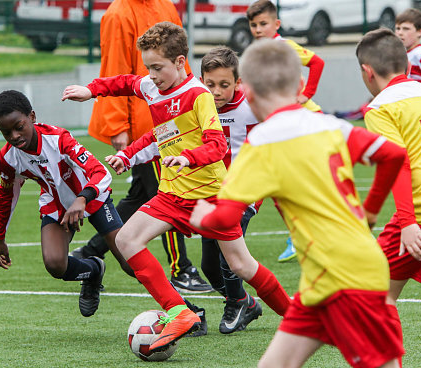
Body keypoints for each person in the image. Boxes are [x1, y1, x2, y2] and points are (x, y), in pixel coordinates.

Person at [62, 22, 291, 352]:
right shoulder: (152, 86)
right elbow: (126, 84)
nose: (152, 75)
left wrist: (188, 158)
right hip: (171, 195)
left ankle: (298, 318)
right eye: (149, 67)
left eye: (158, 68)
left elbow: (217, 146)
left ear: (180, 62)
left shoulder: (198, 96)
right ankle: (179, 311)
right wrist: (92, 90)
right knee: (126, 239)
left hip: (211, 197)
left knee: (241, 265)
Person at [190, 39, 406, 368]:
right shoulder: (329, 123)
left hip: (344, 275)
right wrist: (371, 211)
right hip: (324, 278)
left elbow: (226, 218)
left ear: (246, 92)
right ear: (301, 85)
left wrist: (203, 217)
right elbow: (393, 155)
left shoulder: (260, 141)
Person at [69, 0, 212, 294]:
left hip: (172, 129)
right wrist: (117, 125)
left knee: (141, 195)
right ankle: (181, 268)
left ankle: (90, 251)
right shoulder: (118, 13)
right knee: (167, 192)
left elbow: (177, 56)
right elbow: (118, 69)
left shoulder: (165, 6)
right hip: (146, 130)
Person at [0, 90, 133, 319]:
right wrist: (0, 239)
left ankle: (184, 309)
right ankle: (93, 271)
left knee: (131, 263)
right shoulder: (8, 158)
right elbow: (6, 196)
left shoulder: (58, 139)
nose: (15, 135)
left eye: (19, 126)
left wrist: (82, 198)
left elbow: (100, 172)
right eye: (6, 132)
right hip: (56, 205)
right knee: (55, 264)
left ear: (32, 117)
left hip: (92, 197)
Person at [357, 27, 421, 364]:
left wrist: (407, 221)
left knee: (374, 294)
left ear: (368, 71)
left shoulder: (379, 107)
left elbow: (400, 165)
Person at [246, 0, 325, 262]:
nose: (258, 29)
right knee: (280, 182)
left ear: (276, 24)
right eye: (254, 25)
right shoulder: (259, 51)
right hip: (284, 123)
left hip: (306, 119)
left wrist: (307, 95)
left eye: (263, 24)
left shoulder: (283, 47)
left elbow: (317, 62)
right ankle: (298, 234)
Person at [198, 45, 262, 334]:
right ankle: (244, 301)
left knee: (229, 257)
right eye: (209, 84)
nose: (216, 91)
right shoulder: (200, 105)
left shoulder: (252, 105)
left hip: (244, 192)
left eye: (224, 85)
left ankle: (236, 303)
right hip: (211, 192)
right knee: (209, 266)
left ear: (238, 82)